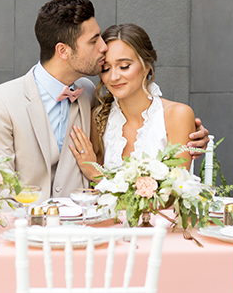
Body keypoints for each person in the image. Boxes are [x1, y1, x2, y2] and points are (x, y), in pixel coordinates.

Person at [0, 0, 209, 201]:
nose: (103, 47)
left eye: (124, 65)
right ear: (63, 50)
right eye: (94, 40)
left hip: (88, 231)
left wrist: (194, 138)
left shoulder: (87, 95)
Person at [69, 23, 195, 182]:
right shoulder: (99, 118)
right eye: (106, 69)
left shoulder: (177, 116)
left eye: (124, 66)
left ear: (146, 67)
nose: (114, 77)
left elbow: (173, 192)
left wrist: (97, 176)